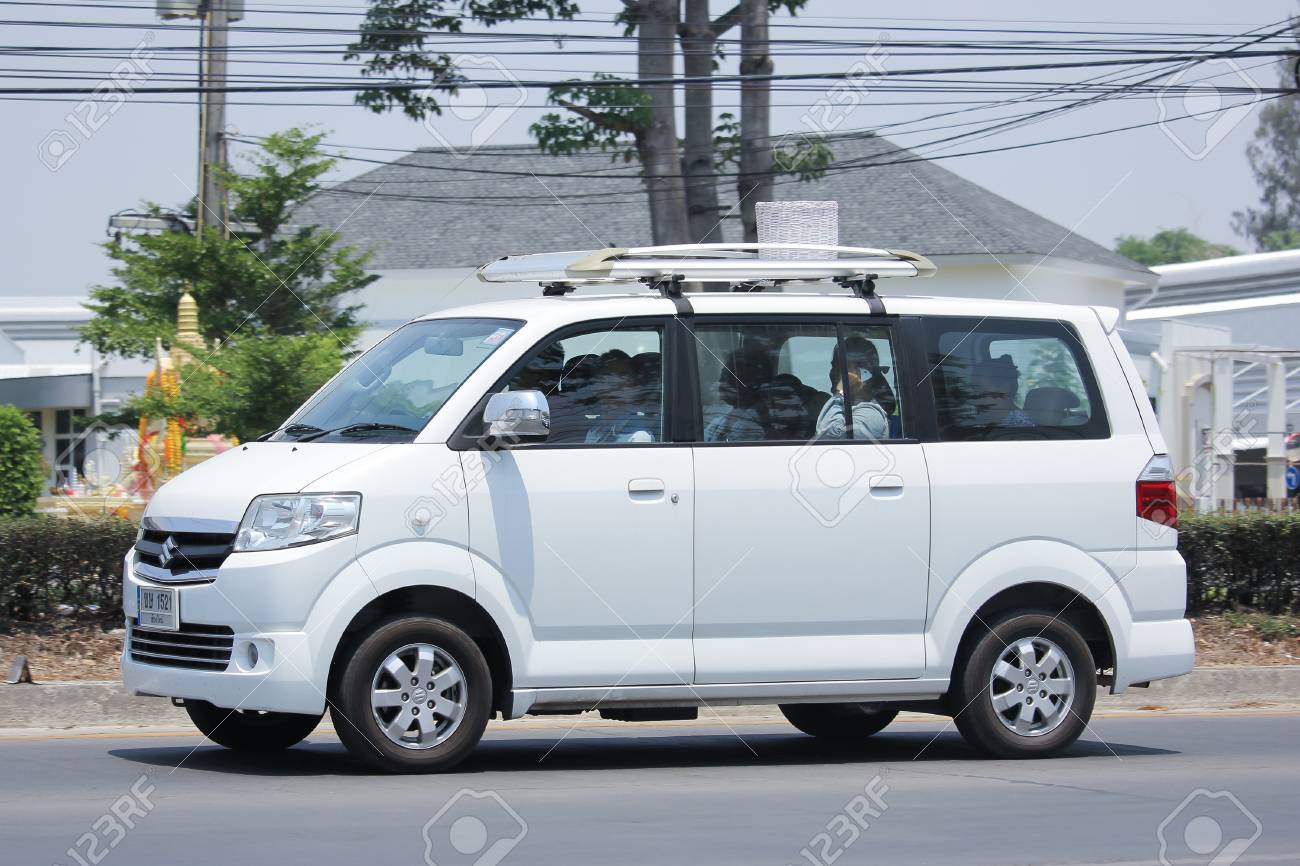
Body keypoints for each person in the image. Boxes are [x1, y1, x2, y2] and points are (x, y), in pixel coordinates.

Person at [815, 337, 890, 440]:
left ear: (859, 373)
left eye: (837, 367)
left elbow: (829, 436)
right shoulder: (847, 407)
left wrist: (841, 390)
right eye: (833, 366)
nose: (832, 373)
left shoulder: (870, 414)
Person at [584, 350, 658, 443]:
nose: (617, 382)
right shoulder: (596, 430)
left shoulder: (639, 437)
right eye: (608, 375)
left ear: (633, 384)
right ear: (597, 385)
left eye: (623, 375)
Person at [969, 354, 1036, 428]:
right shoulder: (973, 421)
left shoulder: (1021, 427)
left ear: (1004, 390)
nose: (972, 398)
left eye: (979, 390)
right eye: (973, 390)